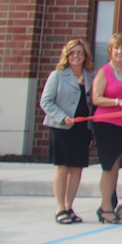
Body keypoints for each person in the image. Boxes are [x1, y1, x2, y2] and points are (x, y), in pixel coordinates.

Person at [40, 39, 94, 224]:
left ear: (85, 55)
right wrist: (62, 117)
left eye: (79, 52)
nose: (76, 56)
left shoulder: (90, 76)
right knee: (62, 167)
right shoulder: (58, 75)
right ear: (66, 55)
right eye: (72, 53)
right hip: (62, 128)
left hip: (82, 128)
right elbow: (46, 102)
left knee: (76, 168)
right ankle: (60, 208)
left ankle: (69, 206)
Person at [90, 33, 122, 223]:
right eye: (116, 48)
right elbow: (97, 98)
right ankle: (105, 208)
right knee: (108, 167)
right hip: (106, 124)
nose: (119, 51)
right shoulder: (104, 71)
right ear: (110, 51)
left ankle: (108, 205)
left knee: (116, 168)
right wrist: (116, 101)